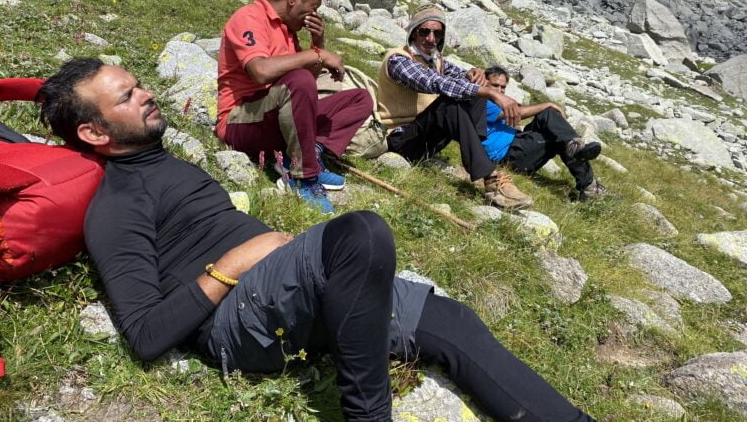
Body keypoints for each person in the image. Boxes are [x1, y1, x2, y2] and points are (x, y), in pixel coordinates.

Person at [38, 58, 598, 422]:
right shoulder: (116, 205)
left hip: (288, 290)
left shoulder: (161, 164)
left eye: (137, 84)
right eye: (127, 97)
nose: (146, 94)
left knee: (453, 323)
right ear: (94, 132)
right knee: (362, 232)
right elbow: (144, 332)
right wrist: (233, 262)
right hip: (239, 320)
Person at [217, 0, 372, 213]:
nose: (314, 16)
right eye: (312, 8)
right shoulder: (249, 16)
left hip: (275, 115)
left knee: (360, 99)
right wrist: (316, 54)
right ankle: (302, 177)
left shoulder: (289, 31)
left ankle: (310, 153)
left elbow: (305, 84)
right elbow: (261, 72)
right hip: (240, 122)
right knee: (298, 80)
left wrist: (317, 44)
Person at [377, 4, 533, 209]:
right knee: (453, 102)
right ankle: (491, 178)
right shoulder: (398, 59)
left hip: (423, 139)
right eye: (424, 31)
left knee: (473, 89)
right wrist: (489, 92)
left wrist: (474, 74)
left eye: (437, 33)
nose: (431, 39)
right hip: (399, 139)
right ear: (413, 32)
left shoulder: (436, 60)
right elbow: (432, 82)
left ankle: (479, 157)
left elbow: (462, 78)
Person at [482, 66, 606, 201]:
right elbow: (516, 113)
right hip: (510, 156)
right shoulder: (482, 102)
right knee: (555, 131)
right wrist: (548, 104)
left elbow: (512, 120)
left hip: (517, 143)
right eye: (495, 85)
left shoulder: (498, 102)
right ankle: (589, 185)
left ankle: (575, 148)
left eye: (503, 87)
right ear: (484, 83)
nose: (500, 91)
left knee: (556, 129)